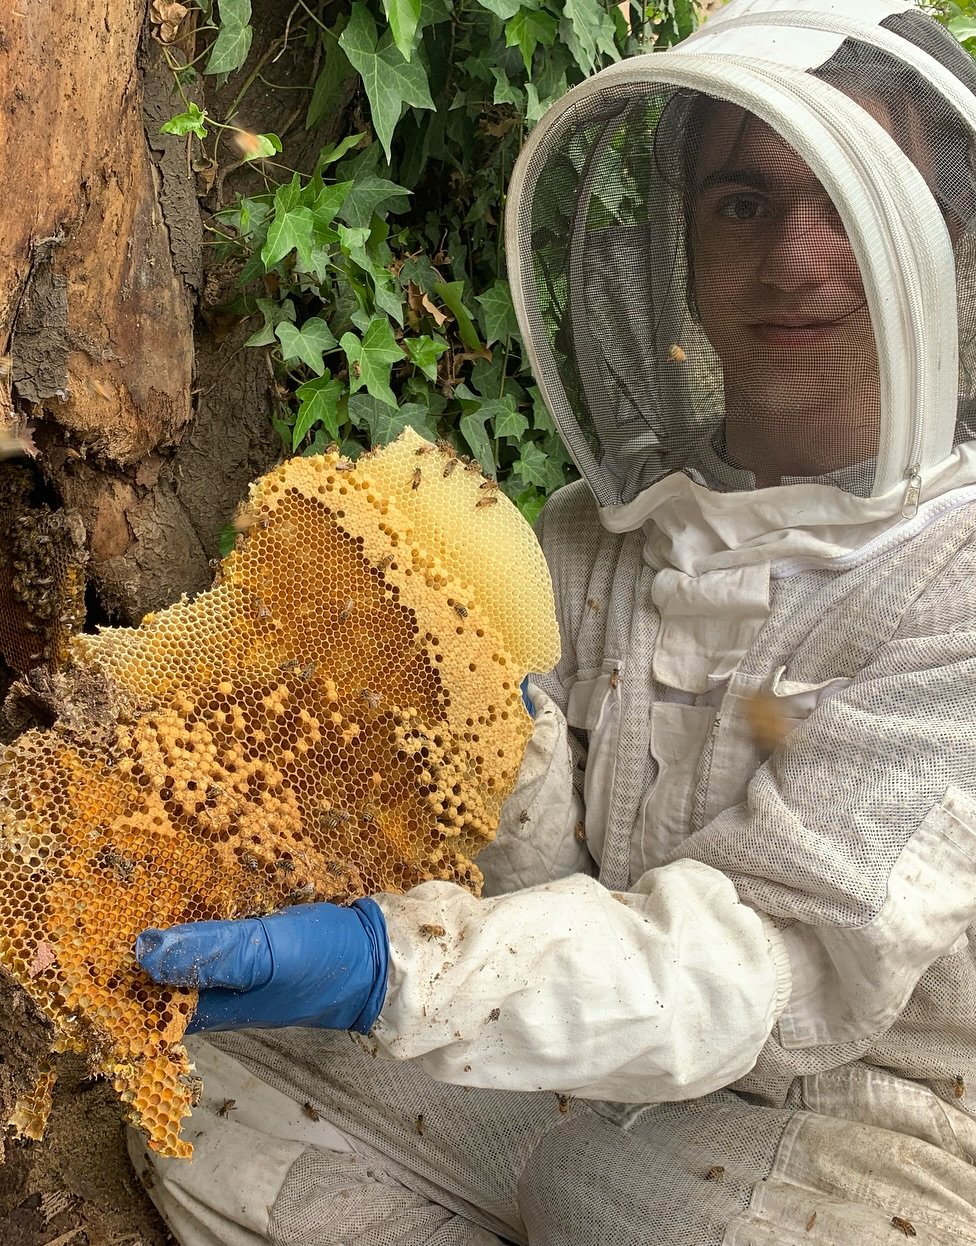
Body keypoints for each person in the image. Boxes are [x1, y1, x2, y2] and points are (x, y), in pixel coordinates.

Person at [129, 2, 976, 1242]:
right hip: (594, 1049)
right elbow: (562, 885)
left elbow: (769, 966)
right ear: (679, 248)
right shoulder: (596, 531)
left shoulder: (956, 582)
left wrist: (393, 965)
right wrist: (498, 747)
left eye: (848, 200)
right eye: (743, 202)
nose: (795, 258)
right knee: (215, 1099)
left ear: (941, 240)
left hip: (876, 1121)